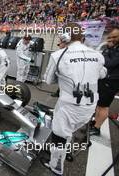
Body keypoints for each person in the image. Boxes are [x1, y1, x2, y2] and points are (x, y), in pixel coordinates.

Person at [41, 23, 107, 176]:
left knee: (59, 138)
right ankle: (65, 147)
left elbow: (49, 81)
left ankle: (56, 167)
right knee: (68, 131)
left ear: (65, 36)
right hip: (89, 107)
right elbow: (102, 74)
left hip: (68, 108)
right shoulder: (97, 55)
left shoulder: (58, 56)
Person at [90, 27, 119, 136]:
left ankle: (97, 128)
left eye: (115, 37)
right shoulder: (109, 48)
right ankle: (95, 124)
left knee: (103, 106)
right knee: (98, 104)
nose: (111, 39)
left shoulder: (111, 49)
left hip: (112, 83)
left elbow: (109, 62)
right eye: (110, 37)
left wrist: (101, 56)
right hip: (104, 80)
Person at [51, 33, 71, 97]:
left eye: (60, 41)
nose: (59, 43)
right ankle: (59, 92)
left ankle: (61, 93)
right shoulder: (63, 50)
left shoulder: (69, 51)